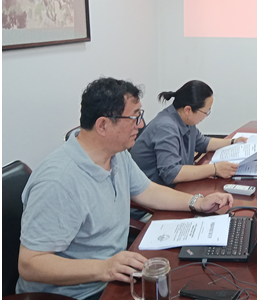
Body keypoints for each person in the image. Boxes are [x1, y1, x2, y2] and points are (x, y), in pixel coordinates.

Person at [17, 78, 233, 299]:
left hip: (116, 276)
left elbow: (148, 191)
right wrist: (104, 268)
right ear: (103, 125)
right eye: (134, 117)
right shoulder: (58, 182)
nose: (141, 124)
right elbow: (30, 264)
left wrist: (197, 202)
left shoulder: (117, 155)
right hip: (79, 292)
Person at [130, 80, 247, 187]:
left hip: (174, 187)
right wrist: (215, 169)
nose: (206, 116)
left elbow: (202, 142)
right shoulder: (166, 128)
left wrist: (233, 142)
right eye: (206, 112)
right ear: (188, 110)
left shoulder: (185, 120)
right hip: (153, 194)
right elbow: (171, 173)